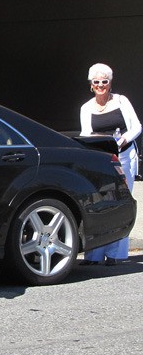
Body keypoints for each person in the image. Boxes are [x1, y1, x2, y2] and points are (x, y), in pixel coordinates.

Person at [79, 62, 141, 266]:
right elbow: (85, 133)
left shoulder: (122, 102)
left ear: (110, 82)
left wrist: (123, 139)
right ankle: (94, 255)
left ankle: (116, 253)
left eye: (104, 81)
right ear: (91, 84)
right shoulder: (86, 108)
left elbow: (137, 127)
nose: (100, 85)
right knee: (100, 203)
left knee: (122, 200)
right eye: (96, 82)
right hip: (102, 160)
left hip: (124, 157)